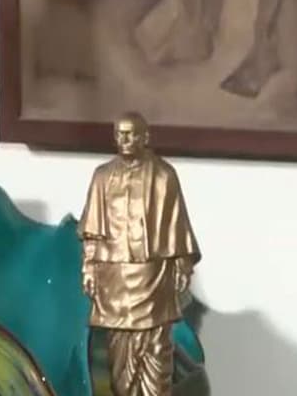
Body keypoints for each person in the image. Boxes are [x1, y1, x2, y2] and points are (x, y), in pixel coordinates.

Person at [79, 111, 202, 396]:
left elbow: (176, 225)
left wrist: (182, 266)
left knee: (157, 351)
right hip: (115, 278)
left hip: (153, 278)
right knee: (118, 354)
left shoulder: (164, 176)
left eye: (131, 134)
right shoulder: (102, 177)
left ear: (145, 137)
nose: (125, 140)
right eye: (120, 134)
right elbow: (92, 232)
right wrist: (89, 269)